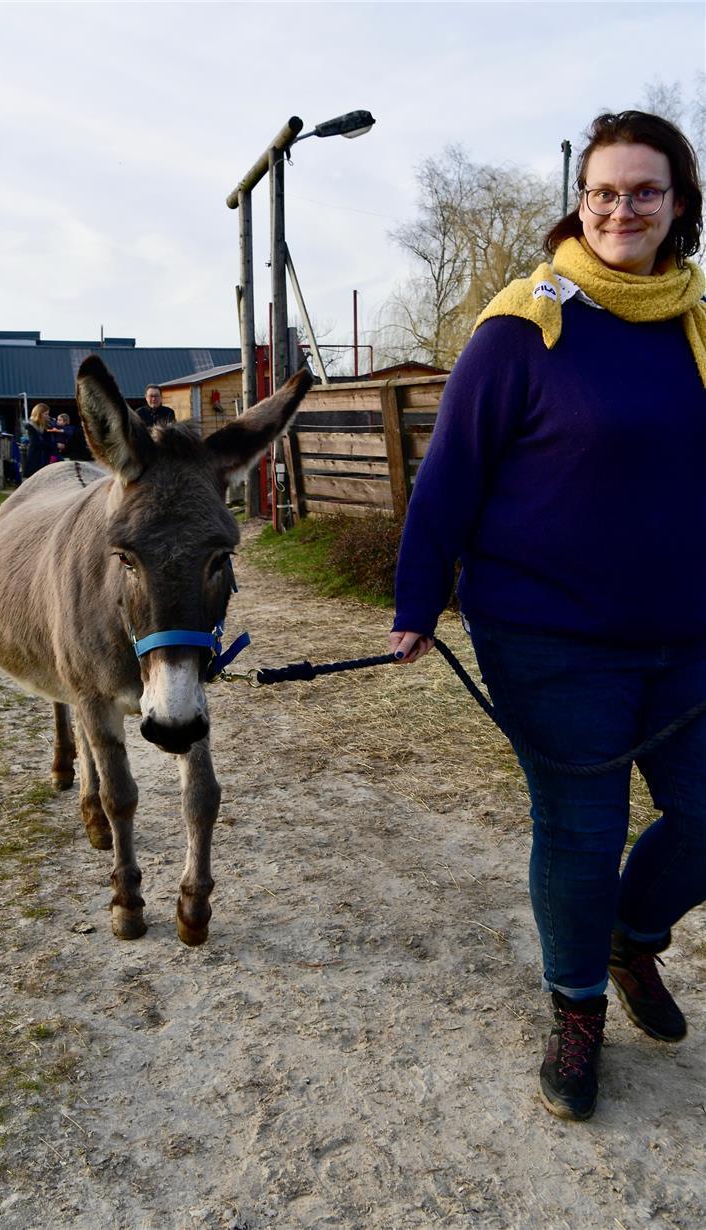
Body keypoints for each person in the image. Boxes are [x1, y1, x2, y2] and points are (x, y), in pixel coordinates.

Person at [389, 111, 706, 1122]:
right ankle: (575, 1011)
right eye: (603, 192)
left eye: (644, 191)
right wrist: (416, 598)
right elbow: (449, 477)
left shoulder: (700, 323)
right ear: (579, 203)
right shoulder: (526, 326)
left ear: (679, 205)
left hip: (690, 633)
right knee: (581, 826)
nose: (622, 209)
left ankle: (630, 938)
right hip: (549, 631)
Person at [22, 402, 55, 478]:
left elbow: (49, 440)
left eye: (47, 414)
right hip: (35, 456)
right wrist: (52, 445)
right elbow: (35, 442)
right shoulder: (30, 426)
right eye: (45, 414)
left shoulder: (47, 425)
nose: (47, 416)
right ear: (39, 414)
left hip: (45, 455)